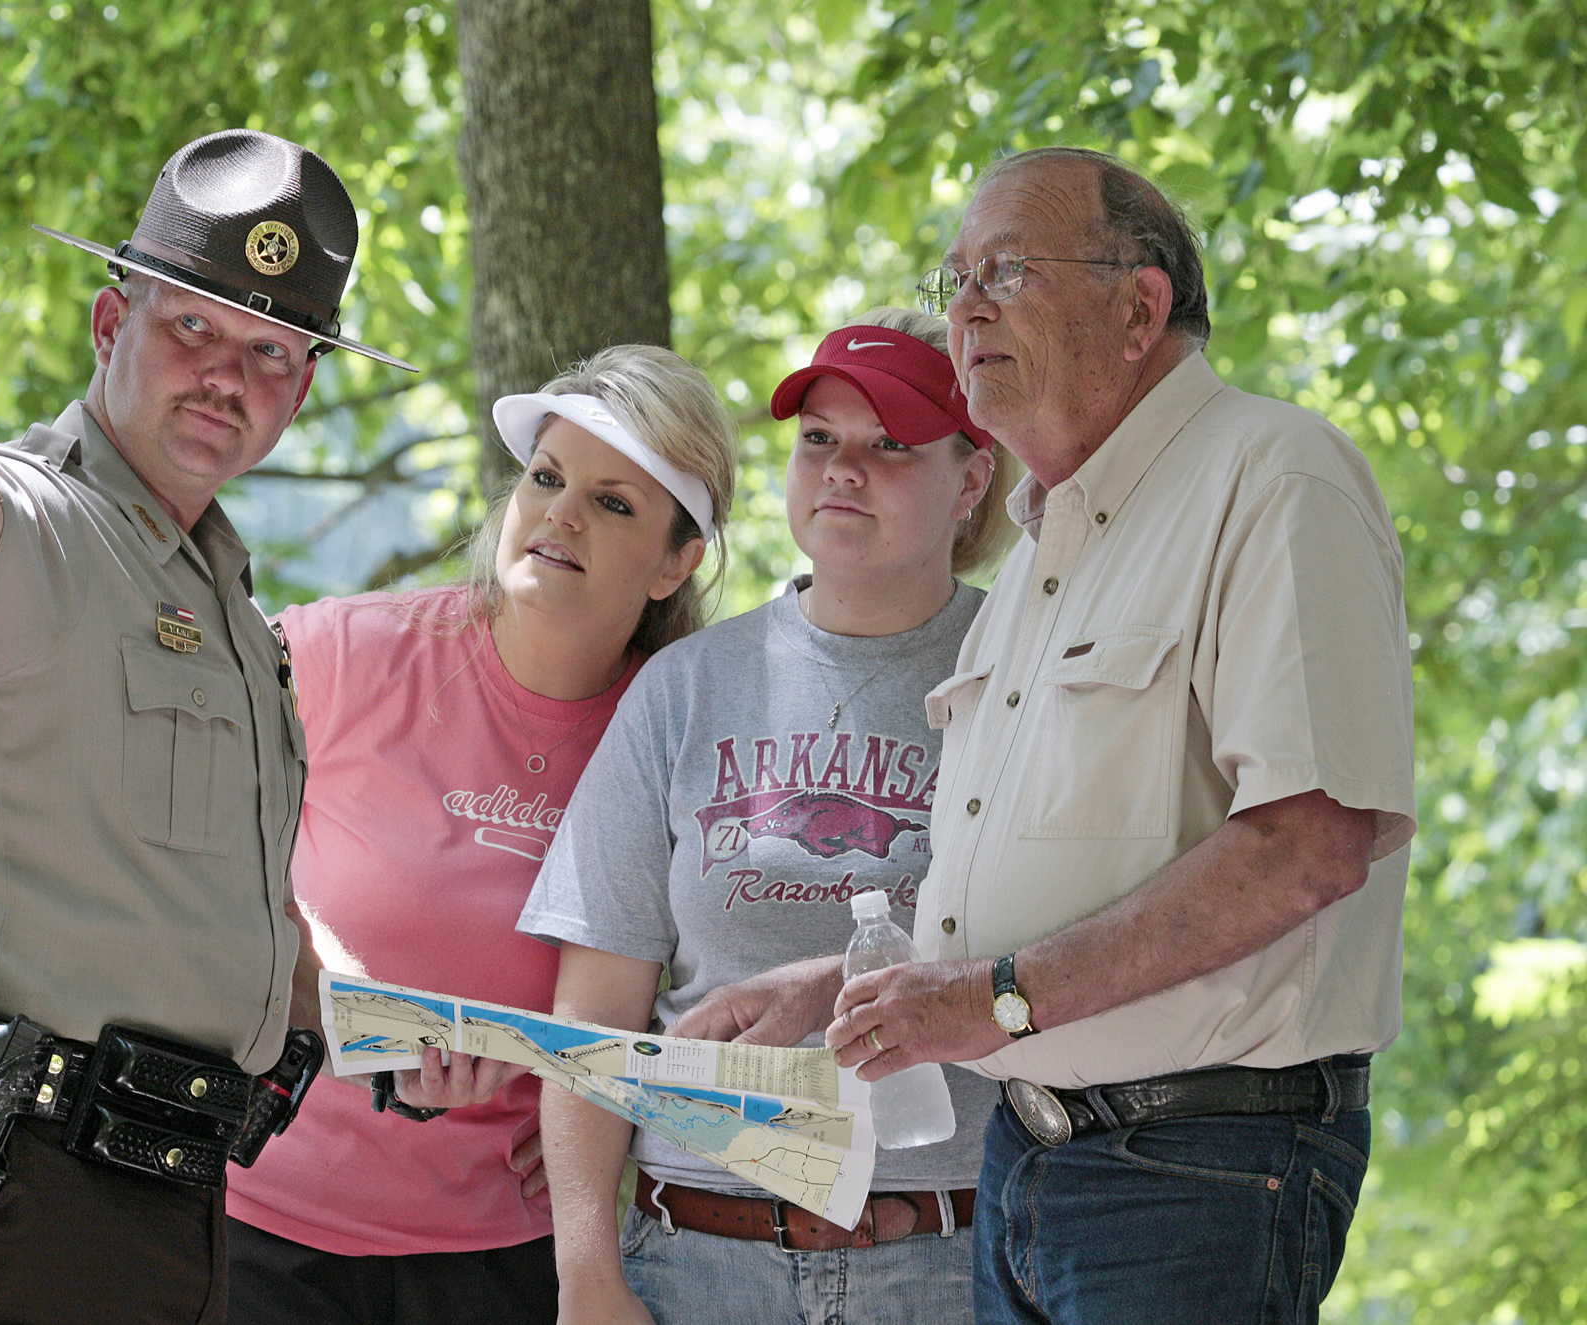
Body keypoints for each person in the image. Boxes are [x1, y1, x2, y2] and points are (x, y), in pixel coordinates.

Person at [714, 148, 1415, 1323]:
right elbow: (1071, 861)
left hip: (1195, 1173)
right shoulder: (1044, 541)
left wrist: (990, 1000)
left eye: (1008, 270)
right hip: (1029, 1161)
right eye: (954, 282)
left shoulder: (1272, 475)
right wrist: (862, 983)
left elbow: (1306, 843)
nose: (966, 307)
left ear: (1138, 306)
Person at [0, 129, 413, 1325]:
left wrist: (381, 1023)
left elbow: (216, 906)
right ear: (108, 327)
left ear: (300, 391)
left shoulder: (228, 611)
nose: (224, 376)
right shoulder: (37, 524)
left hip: (153, 1192)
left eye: (267, 351)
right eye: (190, 326)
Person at [518, 309, 1018, 1325]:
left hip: (949, 1259)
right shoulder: (683, 687)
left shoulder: (1020, 677)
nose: (843, 469)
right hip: (698, 1255)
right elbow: (594, 1013)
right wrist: (587, 1270)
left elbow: (1067, 944)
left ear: (970, 482)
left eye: (891, 446)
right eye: (818, 440)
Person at [223, 345, 740, 1325]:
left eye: (615, 502)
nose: (561, 513)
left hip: (508, 1264)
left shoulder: (681, 738)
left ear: (677, 561)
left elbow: (711, 991)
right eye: (544, 478)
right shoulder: (342, 652)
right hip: (259, 1229)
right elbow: (171, 822)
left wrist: (593, 1088)